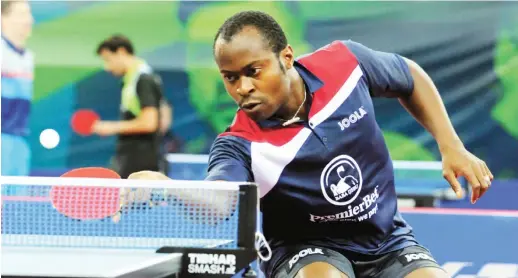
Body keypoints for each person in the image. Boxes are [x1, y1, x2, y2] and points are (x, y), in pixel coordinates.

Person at [127, 11, 494, 278]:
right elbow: (223, 200)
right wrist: (165, 188)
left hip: (387, 241)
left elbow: (408, 75)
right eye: (230, 77)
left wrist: (451, 146)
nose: (242, 88)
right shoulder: (238, 143)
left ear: (285, 57)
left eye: (253, 71)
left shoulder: (345, 64)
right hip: (303, 251)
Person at [93, 34, 172, 178]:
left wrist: (111, 127)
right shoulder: (131, 79)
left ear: (121, 52)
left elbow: (149, 123)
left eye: (108, 60)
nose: (106, 67)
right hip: (130, 158)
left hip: (142, 165)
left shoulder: (143, 79)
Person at [1, 0, 35, 177]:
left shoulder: (28, 57)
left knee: (17, 202)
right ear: (3, 19)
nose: (29, 20)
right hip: (2, 137)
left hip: (20, 138)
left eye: (29, 14)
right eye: (22, 14)